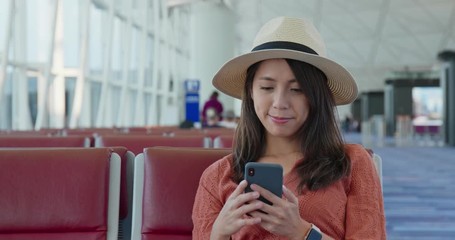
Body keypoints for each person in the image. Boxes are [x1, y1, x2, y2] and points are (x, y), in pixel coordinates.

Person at [192, 16, 385, 240]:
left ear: (315, 97)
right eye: (267, 87)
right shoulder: (217, 177)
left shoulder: (352, 163)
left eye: (297, 89)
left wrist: (303, 233)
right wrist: (218, 234)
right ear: (251, 93)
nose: (280, 102)